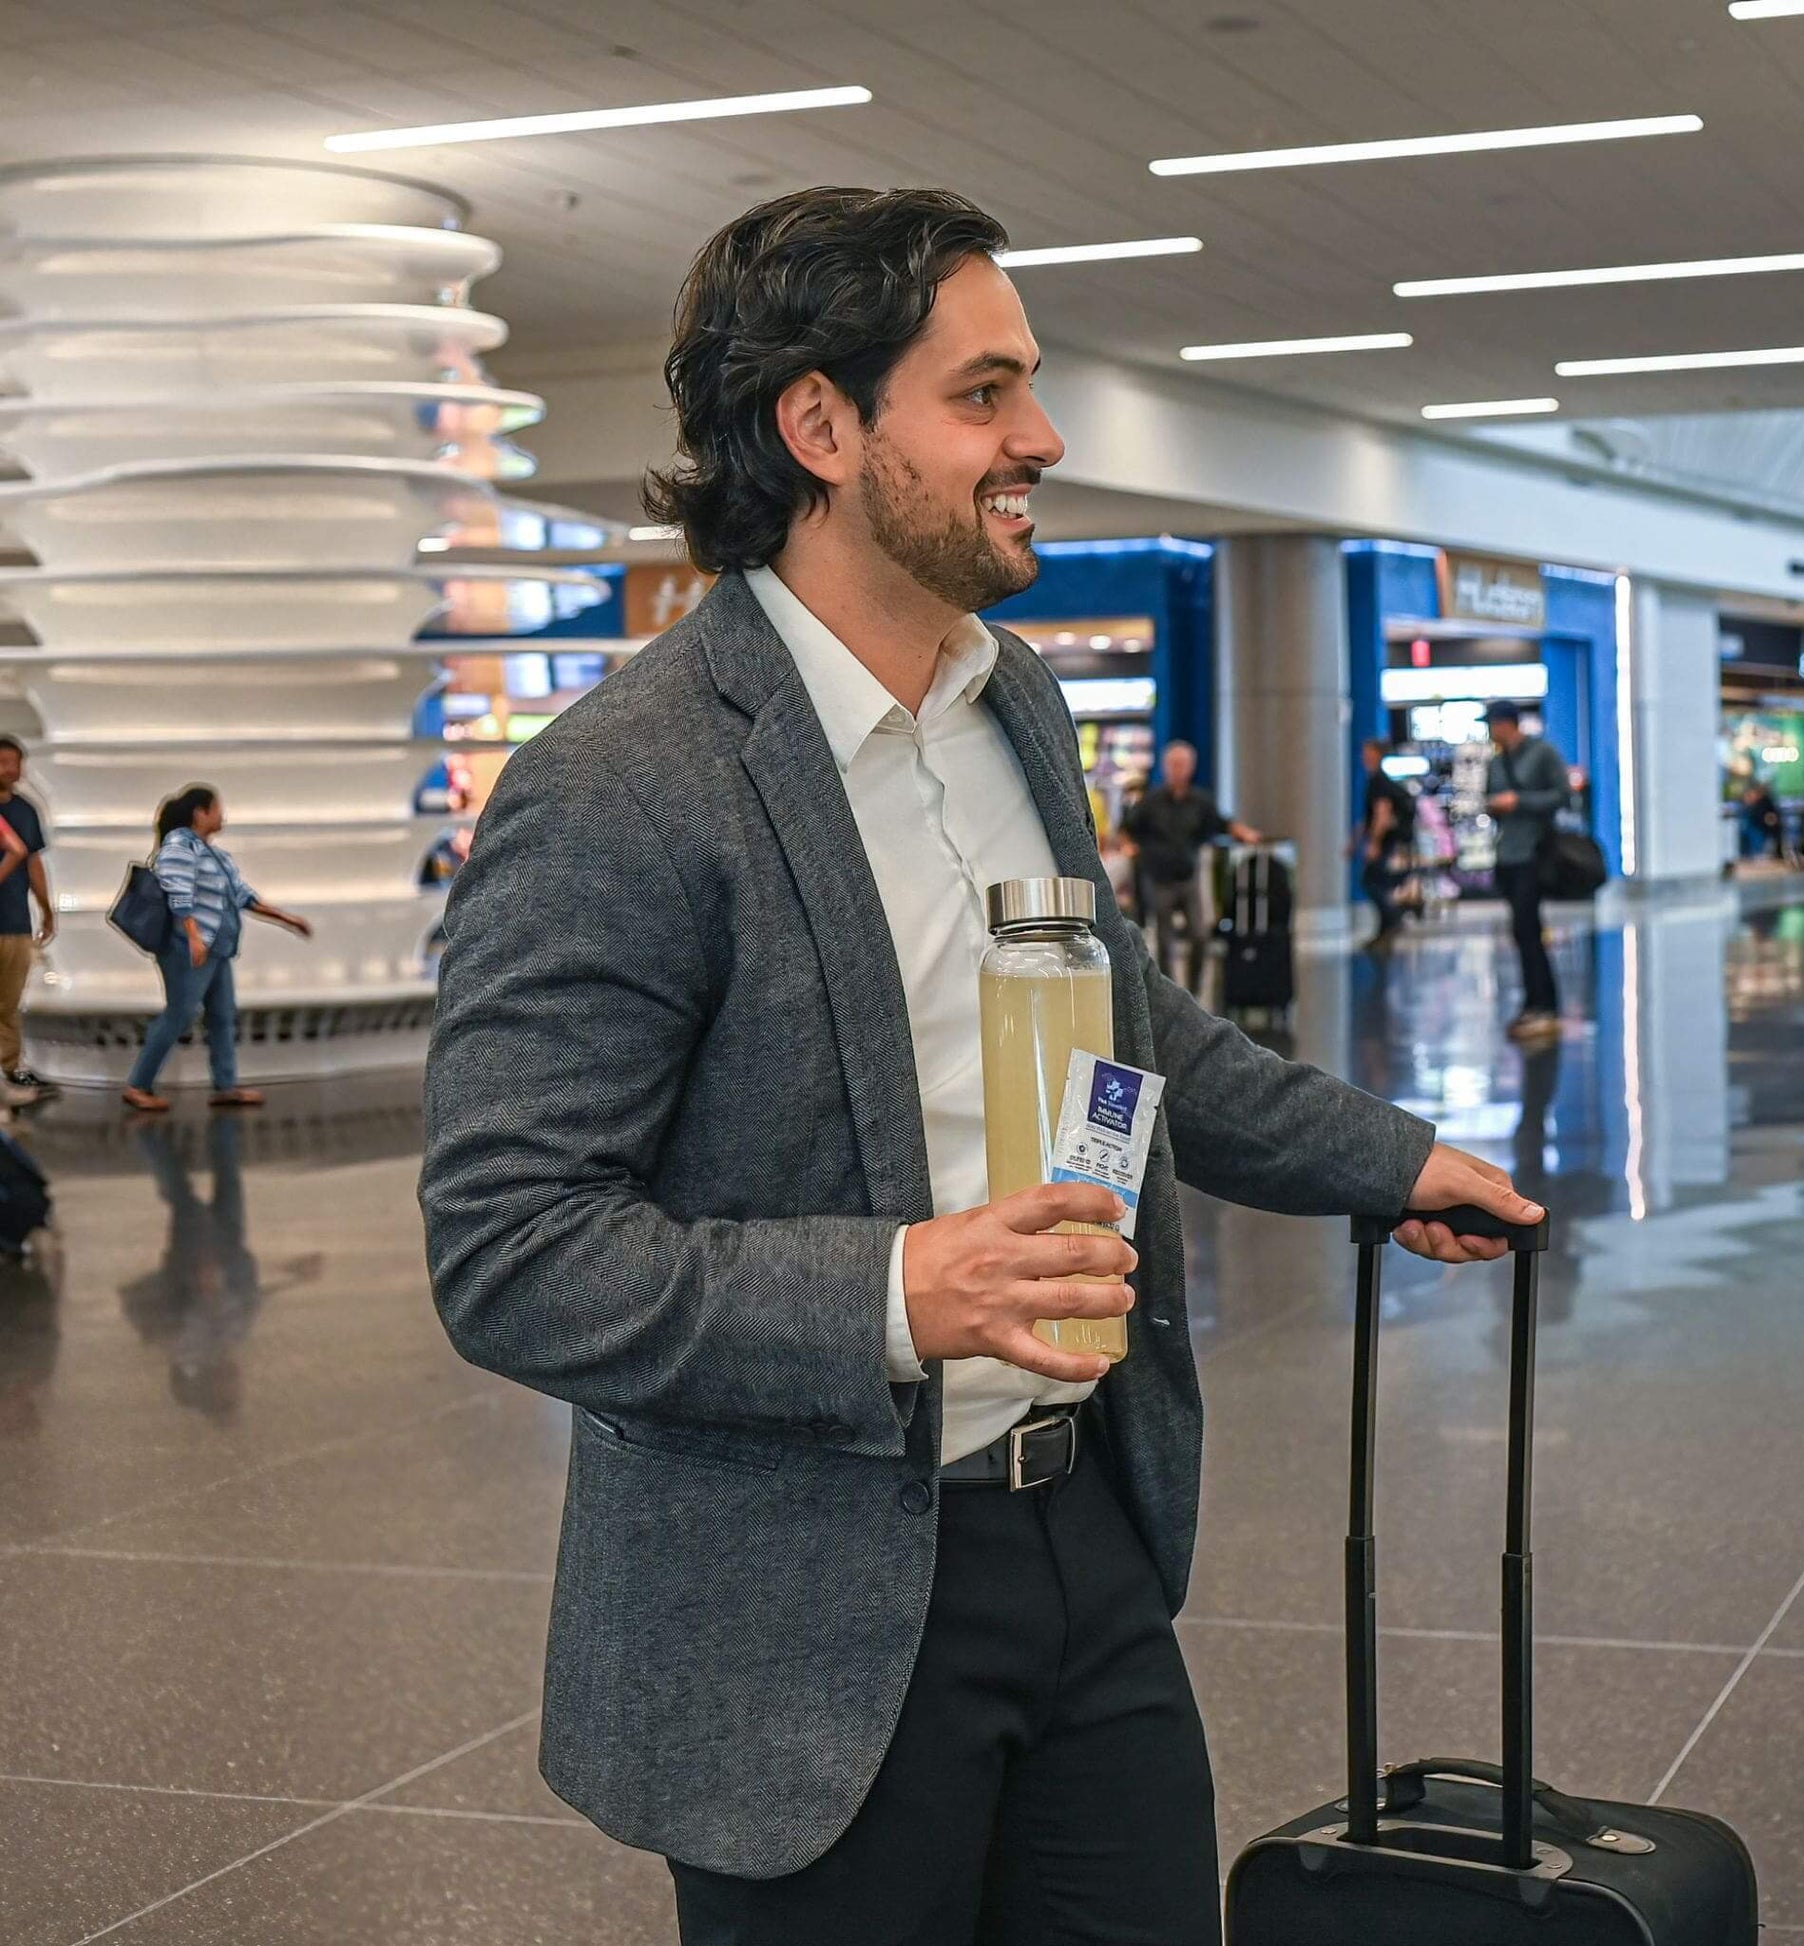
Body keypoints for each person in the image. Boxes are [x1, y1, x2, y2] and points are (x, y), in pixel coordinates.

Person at [418, 186, 1541, 1946]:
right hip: (805, 1616)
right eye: (985, 391)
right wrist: (893, 1289)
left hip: (1079, 1532)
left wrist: (1378, 1157)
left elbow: (1119, 1020)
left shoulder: (1007, 699)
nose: (1042, 434)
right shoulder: (626, 783)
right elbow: (510, 1249)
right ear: (819, 423)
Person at [121, 786, 313, 1114]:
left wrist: (286, 918)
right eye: (217, 808)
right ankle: (138, 1084)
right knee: (179, 1013)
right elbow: (176, 891)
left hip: (218, 948)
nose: (222, 815)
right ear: (200, 813)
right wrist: (193, 935)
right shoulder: (181, 845)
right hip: (187, 947)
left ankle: (225, 1085)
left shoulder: (216, 856)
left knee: (222, 1015)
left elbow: (242, 895)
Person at [1121, 740, 1260, 995]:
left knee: (1199, 935)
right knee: (1165, 940)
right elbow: (1128, 829)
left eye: (1182, 764)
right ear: (1165, 767)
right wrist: (1131, 847)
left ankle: (1194, 992)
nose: (1177, 770)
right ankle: (1169, 992)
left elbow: (1222, 822)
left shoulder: (1200, 801)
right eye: (1173, 764)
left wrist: (1245, 833)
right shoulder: (1150, 802)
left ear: (1191, 767)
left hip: (1188, 877)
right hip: (1159, 877)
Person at [1484, 701, 1571, 1041]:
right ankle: (1532, 1002)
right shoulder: (1495, 762)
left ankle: (1545, 1004)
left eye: (1493, 724)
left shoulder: (1542, 753)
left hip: (1534, 853)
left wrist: (1519, 801)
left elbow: (1563, 796)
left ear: (1507, 723)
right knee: (1521, 932)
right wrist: (1496, 806)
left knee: (1529, 930)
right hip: (1506, 854)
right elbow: (1490, 800)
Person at [0, 737, 58, 1102]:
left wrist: (46, 908)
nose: (10, 769)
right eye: (3, 762)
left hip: (15, 922)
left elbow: (32, 860)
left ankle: (9, 1069)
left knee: (9, 1002)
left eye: (14, 762)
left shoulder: (25, 811)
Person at [1351, 736, 1415, 949]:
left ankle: (1392, 919)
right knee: (1375, 881)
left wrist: (1374, 843)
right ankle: (1386, 926)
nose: (1363, 757)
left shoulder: (1379, 782)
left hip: (1386, 841)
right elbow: (1368, 818)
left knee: (1371, 881)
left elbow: (1382, 814)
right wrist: (1355, 840)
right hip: (1386, 840)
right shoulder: (1376, 780)